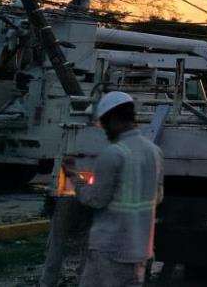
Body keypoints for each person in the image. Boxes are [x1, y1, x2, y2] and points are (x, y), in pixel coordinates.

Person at [62, 91, 163, 287]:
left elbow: (96, 199)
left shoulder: (113, 154)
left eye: (104, 123)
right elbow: (158, 196)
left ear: (115, 119)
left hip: (109, 250)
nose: (104, 129)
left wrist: (74, 177)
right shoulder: (154, 152)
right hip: (139, 251)